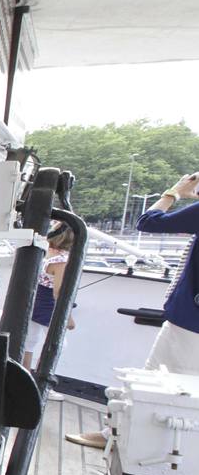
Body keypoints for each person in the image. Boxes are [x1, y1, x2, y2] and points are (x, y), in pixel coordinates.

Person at [68, 172, 199, 448]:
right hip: (189, 321)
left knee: (156, 380)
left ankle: (118, 439)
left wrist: (173, 193)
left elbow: (148, 222)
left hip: (190, 323)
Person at [23, 224, 76, 369]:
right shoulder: (62, 261)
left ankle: (24, 376)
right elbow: (58, 291)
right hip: (48, 305)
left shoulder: (45, 252)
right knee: (57, 344)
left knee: (29, 342)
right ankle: (42, 375)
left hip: (34, 301)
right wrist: (68, 317)